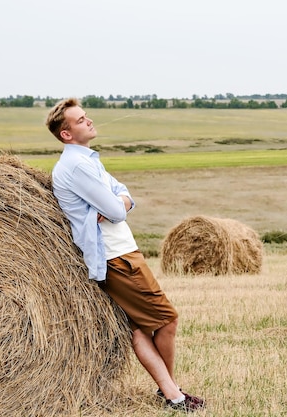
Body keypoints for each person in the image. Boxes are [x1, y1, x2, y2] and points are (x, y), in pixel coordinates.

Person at [45, 98, 205, 413]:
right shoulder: (76, 166)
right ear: (66, 134)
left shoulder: (87, 160)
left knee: (140, 329)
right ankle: (171, 393)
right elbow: (117, 209)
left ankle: (171, 392)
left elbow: (121, 193)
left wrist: (122, 202)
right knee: (168, 320)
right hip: (117, 257)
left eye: (85, 116)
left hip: (119, 253)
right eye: (80, 120)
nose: (88, 121)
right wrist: (120, 203)